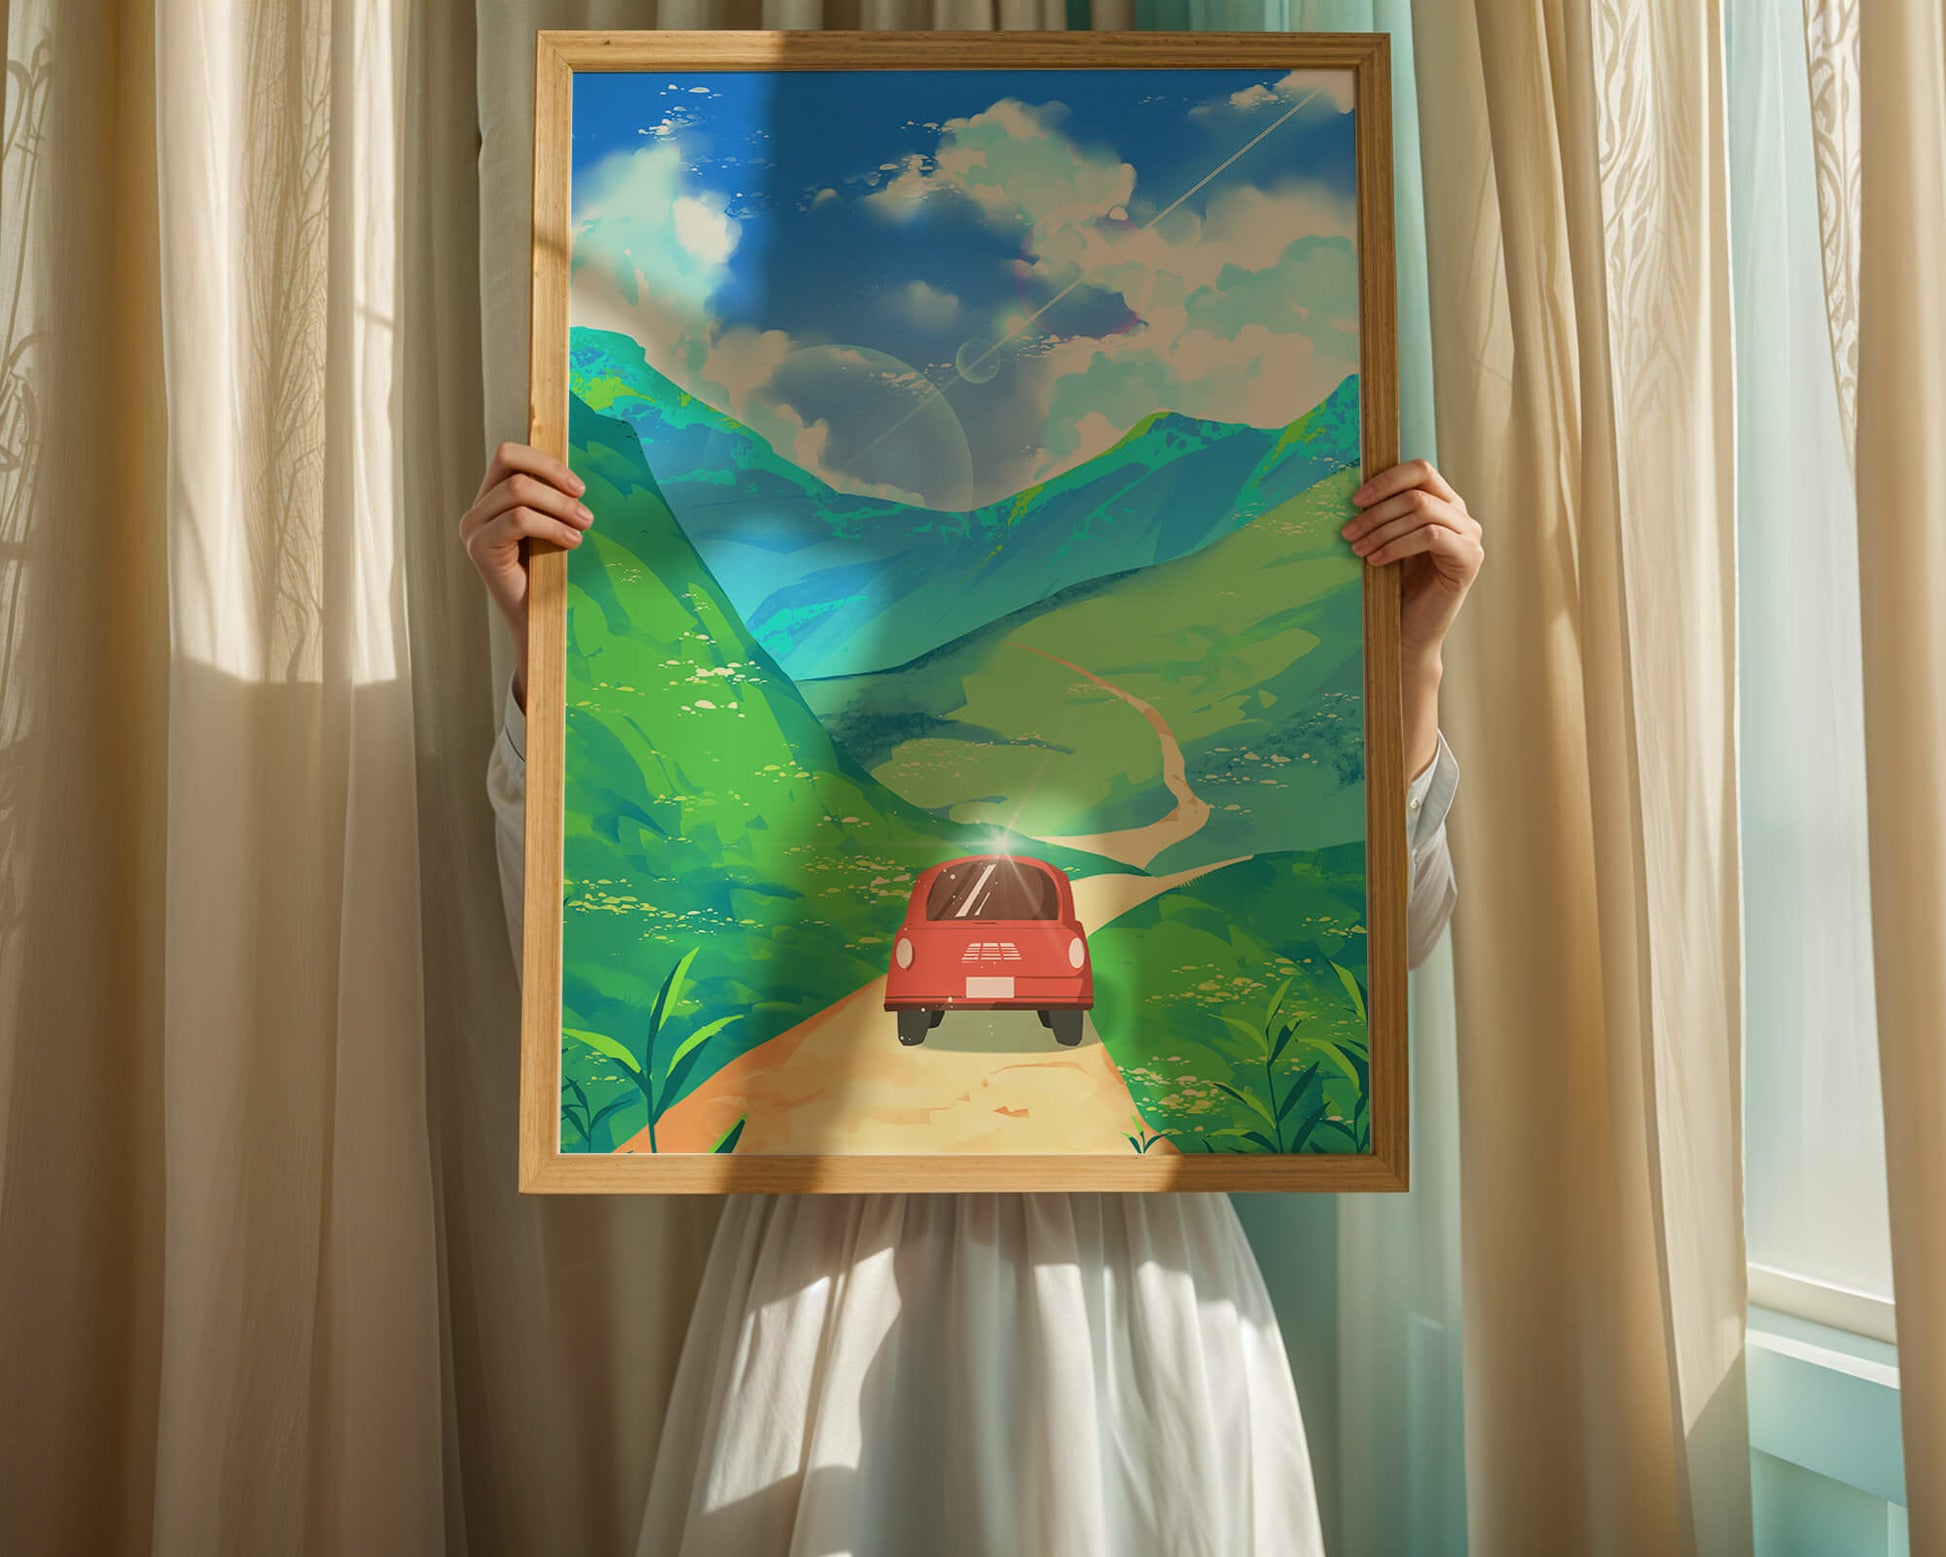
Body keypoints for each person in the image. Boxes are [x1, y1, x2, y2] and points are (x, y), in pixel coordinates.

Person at [464, 443, 1482, 1556]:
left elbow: (1393, 940)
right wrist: (559, 642)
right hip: (829, 1264)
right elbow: (575, 944)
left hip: (1134, 1265)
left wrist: (1406, 658)